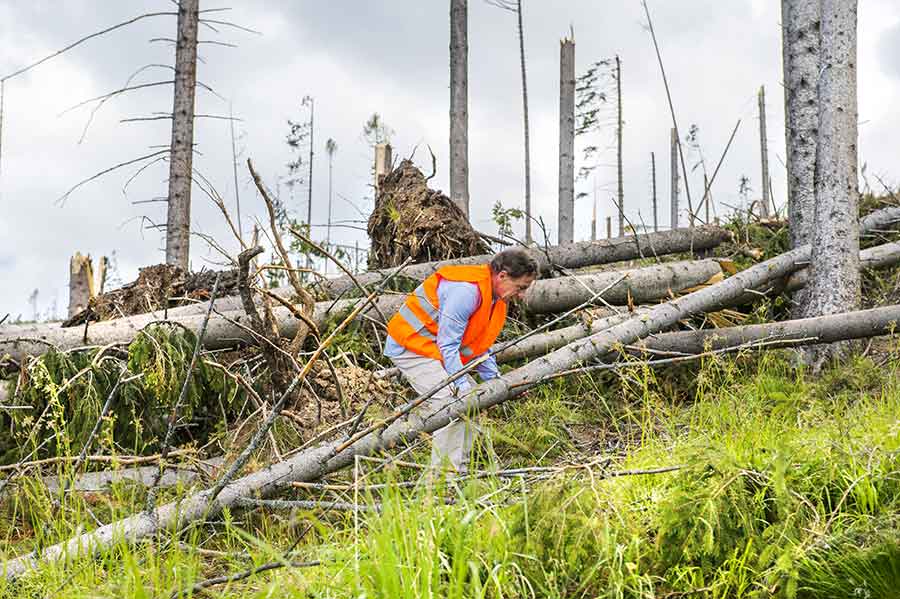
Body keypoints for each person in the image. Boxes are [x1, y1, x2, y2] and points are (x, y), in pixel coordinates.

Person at [384, 248, 539, 474]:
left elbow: (477, 346)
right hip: (410, 347)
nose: (522, 295)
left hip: (433, 350)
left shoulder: (495, 298)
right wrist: (462, 387)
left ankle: (459, 472)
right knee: (454, 403)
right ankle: (442, 480)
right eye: (521, 287)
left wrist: (497, 383)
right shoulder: (466, 291)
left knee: (472, 401)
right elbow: (448, 345)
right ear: (503, 276)